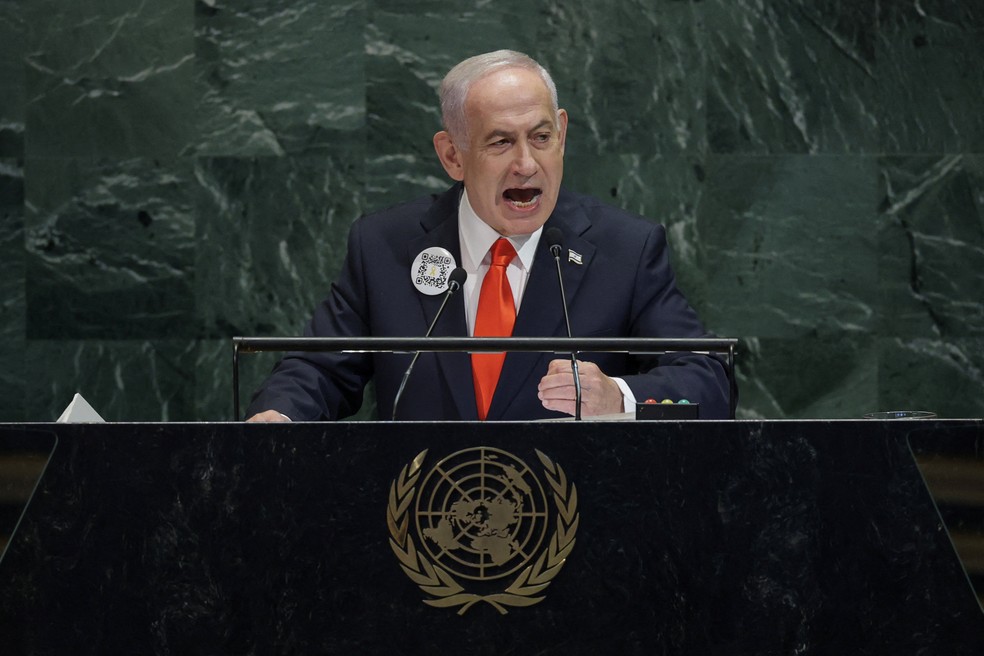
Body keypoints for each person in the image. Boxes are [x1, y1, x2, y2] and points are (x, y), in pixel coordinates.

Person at [246, 50, 731, 422]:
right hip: (420, 510)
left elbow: (707, 378)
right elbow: (318, 369)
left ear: (562, 134)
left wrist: (617, 395)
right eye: (501, 142)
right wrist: (280, 415)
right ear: (452, 155)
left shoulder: (625, 249)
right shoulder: (384, 246)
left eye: (541, 137)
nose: (526, 164)